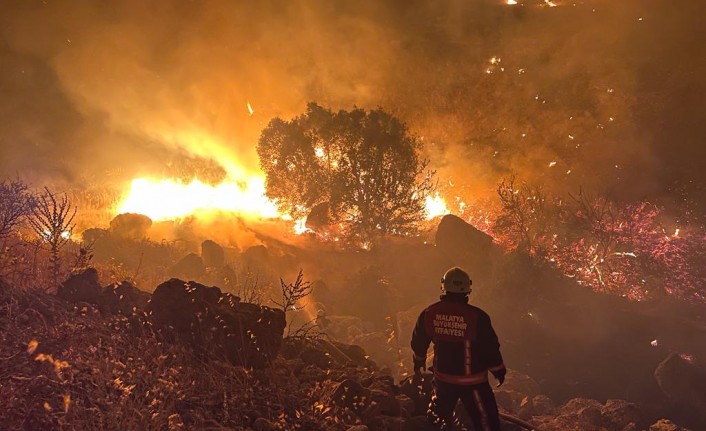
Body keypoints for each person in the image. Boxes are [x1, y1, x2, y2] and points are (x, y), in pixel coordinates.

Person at [411, 267, 506, 431]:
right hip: (473, 382)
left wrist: (418, 362)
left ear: (444, 286)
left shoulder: (429, 313)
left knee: (437, 417)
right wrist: (498, 370)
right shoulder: (477, 316)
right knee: (486, 420)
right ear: (468, 289)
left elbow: (419, 341)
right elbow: (489, 348)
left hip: (443, 380)